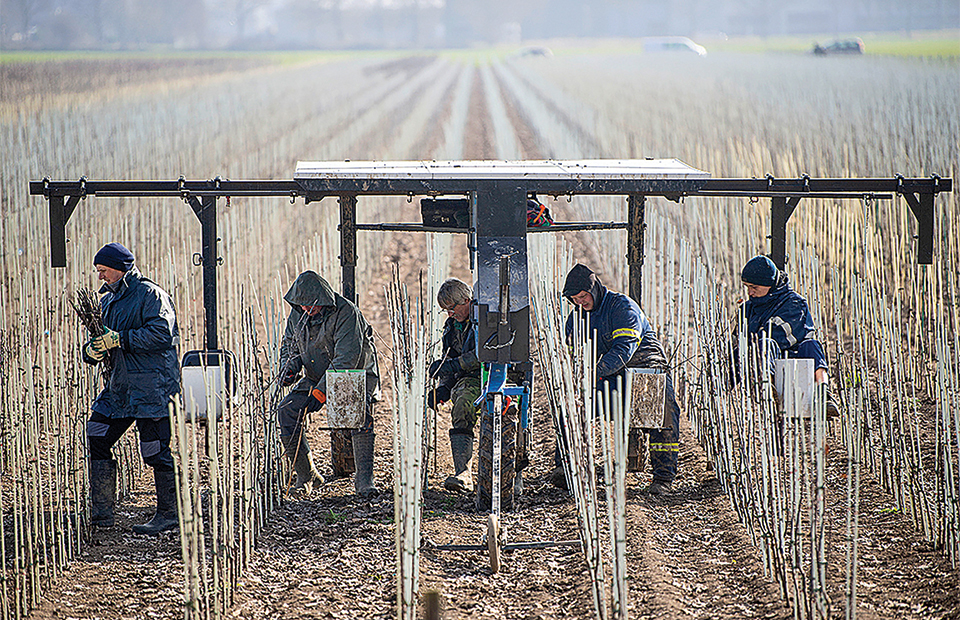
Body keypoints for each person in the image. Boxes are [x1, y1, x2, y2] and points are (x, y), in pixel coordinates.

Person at [556, 263, 681, 496]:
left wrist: (593, 373)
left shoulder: (622, 307)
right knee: (571, 408)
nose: (580, 302)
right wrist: (576, 381)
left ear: (594, 290)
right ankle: (566, 468)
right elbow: (573, 354)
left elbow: (624, 349)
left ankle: (663, 477)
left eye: (583, 296)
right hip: (610, 372)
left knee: (662, 412)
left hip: (645, 365)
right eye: (574, 299)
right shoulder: (576, 319)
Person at [82, 242, 181, 535]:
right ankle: (102, 515)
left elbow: (163, 333)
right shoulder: (107, 301)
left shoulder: (151, 295)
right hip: (120, 388)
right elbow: (100, 339)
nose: (100, 277)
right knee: (96, 434)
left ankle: (169, 515)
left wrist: (120, 340)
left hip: (153, 388)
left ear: (120, 268)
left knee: (155, 451)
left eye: (103, 271)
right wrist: (93, 351)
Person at [277, 270, 381, 497]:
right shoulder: (298, 315)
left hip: (352, 375)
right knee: (286, 410)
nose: (307, 310)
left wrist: (321, 394)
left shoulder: (346, 313)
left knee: (356, 414)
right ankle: (307, 475)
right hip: (316, 376)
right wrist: (289, 369)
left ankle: (364, 479)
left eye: (312, 305)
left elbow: (347, 358)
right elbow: (289, 346)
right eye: (302, 305)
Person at [739, 255, 838, 416]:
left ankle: (823, 393)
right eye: (747, 286)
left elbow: (782, 335)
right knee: (764, 343)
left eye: (754, 287)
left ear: (769, 284)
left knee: (811, 345)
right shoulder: (748, 309)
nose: (750, 292)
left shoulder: (794, 304)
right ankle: (768, 390)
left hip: (797, 361)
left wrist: (757, 340)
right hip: (765, 363)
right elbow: (738, 346)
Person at [426, 278, 481, 493]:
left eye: (452, 308)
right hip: (464, 378)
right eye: (445, 310)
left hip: (485, 375)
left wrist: (451, 366)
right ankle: (463, 473)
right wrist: (443, 389)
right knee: (459, 402)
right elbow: (449, 358)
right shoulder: (451, 326)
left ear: (467, 300)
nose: (449, 314)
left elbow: (481, 355)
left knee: (464, 401)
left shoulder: (484, 319)